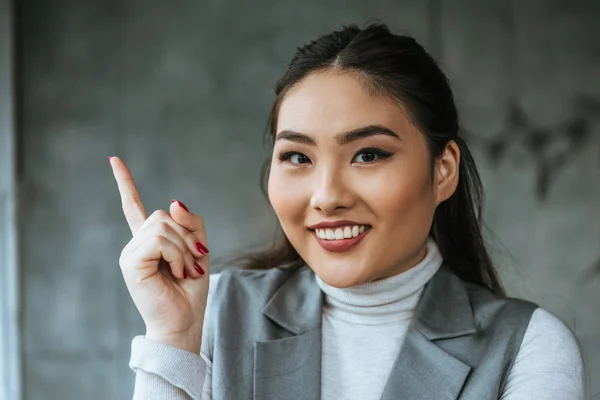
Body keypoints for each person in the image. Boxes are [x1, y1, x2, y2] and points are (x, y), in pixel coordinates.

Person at [110, 24, 586, 400]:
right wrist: (173, 337)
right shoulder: (215, 313)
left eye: (368, 154)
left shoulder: (527, 345)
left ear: (443, 171)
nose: (327, 195)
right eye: (298, 157)